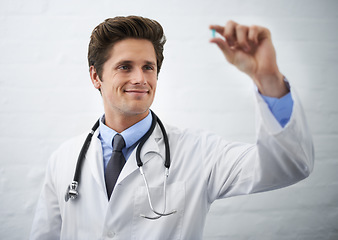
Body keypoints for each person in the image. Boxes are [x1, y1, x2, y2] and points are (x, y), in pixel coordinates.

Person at [30, 16, 314, 240]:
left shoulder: (200, 153)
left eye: (148, 67)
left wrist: (268, 78)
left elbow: (290, 164)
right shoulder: (64, 159)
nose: (140, 78)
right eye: (125, 67)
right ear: (96, 76)